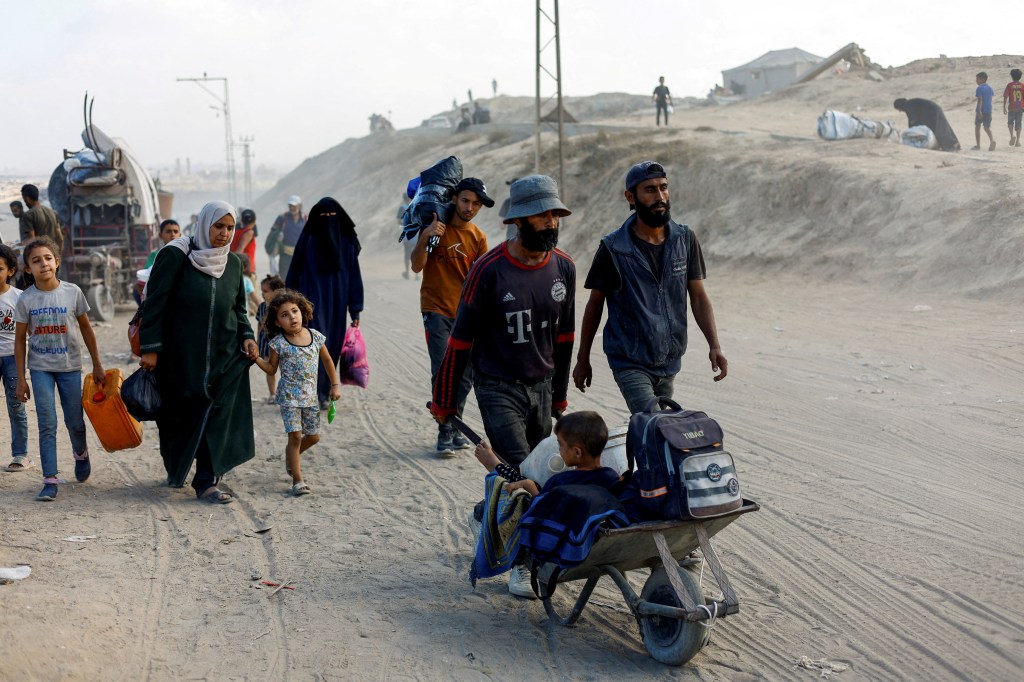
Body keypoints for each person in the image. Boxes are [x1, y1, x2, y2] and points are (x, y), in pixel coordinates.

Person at [430, 173, 575, 470]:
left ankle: (493, 513)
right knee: (519, 470)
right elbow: (460, 340)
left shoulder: (564, 267)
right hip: (498, 388)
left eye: (554, 214)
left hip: (543, 387)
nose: (551, 222)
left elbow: (564, 338)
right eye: (541, 215)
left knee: (542, 469)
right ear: (519, 221)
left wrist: (558, 395)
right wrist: (444, 400)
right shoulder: (487, 270)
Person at [572, 161, 728, 416]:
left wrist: (715, 345)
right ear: (630, 197)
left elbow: (698, 297)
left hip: (669, 361)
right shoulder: (613, 248)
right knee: (654, 422)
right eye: (650, 190)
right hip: (629, 360)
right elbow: (594, 305)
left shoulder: (685, 239)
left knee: (658, 428)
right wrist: (583, 359)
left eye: (663, 188)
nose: (660, 196)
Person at [138, 201, 257, 503]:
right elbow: (155, 303)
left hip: (224, 353)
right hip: (180, 356)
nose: (225, 234)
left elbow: (239, 308)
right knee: (177, 416)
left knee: (216, 413)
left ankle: (206, 481)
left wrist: (246, 335)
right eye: (219, 226)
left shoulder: (232, 264)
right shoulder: (176, 256)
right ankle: (176, 464)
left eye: (230, 228)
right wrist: (151, 348)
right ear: (205, 225)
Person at [13, 237, 105, 501]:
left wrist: (97, 364)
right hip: (40, 368)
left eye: (47, 258)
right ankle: (50, 479)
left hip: (69, 367)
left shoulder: (72, 292)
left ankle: (80, 453)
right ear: (28, 269)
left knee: (75, 421)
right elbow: (20, 341)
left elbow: (86, 329)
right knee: (47, 423)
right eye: (36, 260)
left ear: (57, 262)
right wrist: (21, 379)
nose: (43, 264)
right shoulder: (26, 299)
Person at [411, 178, 492, 455]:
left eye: (476, 204)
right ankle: (445, 430)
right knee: (442, 369)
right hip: (435, 309)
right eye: (466, 201)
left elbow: (483, 281)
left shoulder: (479, 238)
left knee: (466, 374)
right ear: (455, 198)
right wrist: (426, 234)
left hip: (467, 314)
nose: (470, 208)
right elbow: (416, 266)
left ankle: (453, 424)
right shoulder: (437, 230)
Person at [251, 289, 342, 496]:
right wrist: (256, 359)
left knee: (314, 437)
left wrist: (335, 385)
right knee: (295, 437)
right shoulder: (278, 344)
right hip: (290, 399)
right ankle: (297, 480)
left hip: (310, 397)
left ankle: (291, 456)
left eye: (294, 311)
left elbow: (327, 361)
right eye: (284, 315)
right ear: (277, 322)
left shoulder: (315, 337)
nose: (292, 317)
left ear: (302, 312)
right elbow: (272, 369)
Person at [284, 197, 364, 410]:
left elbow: (354, 275)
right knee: (314, 345)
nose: (328, 221)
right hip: (310, 302)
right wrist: (289, 301)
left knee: (333, 346)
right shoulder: (308, 238)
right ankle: (315, 392)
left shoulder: (346, 241)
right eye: (323, 217)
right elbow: (294, 270)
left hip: (338, 301)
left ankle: (325, 389)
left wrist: (355, 308)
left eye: (332, 217)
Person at [474, 411, 618, 497]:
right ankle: (498, 466)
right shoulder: (611, 476)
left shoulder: (561, 482)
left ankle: (496, 466)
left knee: (524, 485)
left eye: (561, 445)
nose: (559, 449)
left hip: (562, 538)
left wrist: (530, 487)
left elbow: (539, 508)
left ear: (577, 452)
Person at [0, 244, 29, 472]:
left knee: (16, 407)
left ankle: (20, 455)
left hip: (12, 358)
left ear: (10, 271)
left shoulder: (20, 298)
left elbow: (30, 333)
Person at [256, 274, 287, 403]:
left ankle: (284, 394)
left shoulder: (281, 307)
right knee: (269, 369)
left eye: (265, 291)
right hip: (265, 343)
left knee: (283, 369)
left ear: (276, 291)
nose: (263, 294)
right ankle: (272, 394)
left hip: (279, 344)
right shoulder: (262, 307)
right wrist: (257, 340)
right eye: (262, 291)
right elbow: (259, 324)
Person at [893, 98, 961, 151]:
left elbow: (912, 120)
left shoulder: (908, 105)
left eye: (899, 109)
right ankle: (954, 144)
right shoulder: (910, 103)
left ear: (900, 106)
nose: (900, 111)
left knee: (939, 130)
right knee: (943, 128)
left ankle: (951, 146)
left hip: (933, 112)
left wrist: (911, 132)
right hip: (934, 111)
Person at [20, 184, 64, 253]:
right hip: (53, 255)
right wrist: (58, 254)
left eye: (24, 199)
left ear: (27, 199)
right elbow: (60, 238)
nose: (25, 202)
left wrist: (17, 245)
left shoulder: (28, 215)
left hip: (41, 256)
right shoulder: (53, 212)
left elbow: (31, 240)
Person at [272, 196, 306, 279]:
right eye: (290, 206)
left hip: (301, 254)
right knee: (284, 277)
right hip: (285, 254)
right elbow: (273, 231)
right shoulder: (282, 217)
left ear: (300, 206)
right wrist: (278, 234)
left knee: (300, 277)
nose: (292, 208)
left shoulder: (305, 218)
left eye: (294, 206)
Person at [232, 208, 258, 275]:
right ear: (255, 221)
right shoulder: (249, 232)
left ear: (241, 221)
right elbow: (240, 250)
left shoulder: (235, 232)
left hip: (240, 268)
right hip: (246, 270)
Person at [974, 72, 996, 151]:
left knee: (977, 127)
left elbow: (980, 100)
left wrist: (979, 111)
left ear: (983, 79)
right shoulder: (990, 88)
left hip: (981, 111)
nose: (976, 80)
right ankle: (992, 140)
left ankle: (978, 145)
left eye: (977, 79)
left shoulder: (979, 88)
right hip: (989, 111)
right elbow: (990, 98)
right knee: (987, 127)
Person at [1003, 68, 1024, 147]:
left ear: (1012, 76)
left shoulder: (1009, 85)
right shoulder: (1022, 85)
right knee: (1018, 123)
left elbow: (1005, 96)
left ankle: (1012, 136)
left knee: (1010, 122)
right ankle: (1017, 141)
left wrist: (1004, 107)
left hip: (1012, 107)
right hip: (1020, 107)